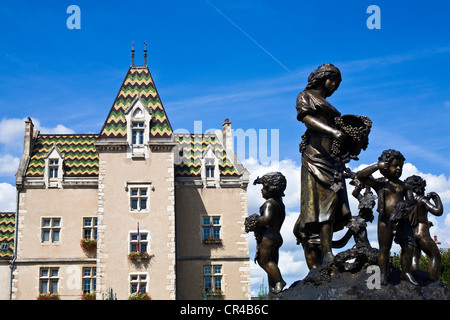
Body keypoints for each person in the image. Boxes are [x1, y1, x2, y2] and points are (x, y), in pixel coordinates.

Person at [293, 63, 352, 269]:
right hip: (315, 158)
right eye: (333, 80)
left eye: (338, 83)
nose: (335, 85)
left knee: (335, 203)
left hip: (332, 159)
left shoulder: (328, 104)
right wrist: (332, 132)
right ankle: (326, 253)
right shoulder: (305, 96)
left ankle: (328, 249)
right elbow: (307, 119)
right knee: (323, 205)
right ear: (322, 77)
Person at [355, 149, 418, 285]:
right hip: (385, 221)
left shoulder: (405, 186)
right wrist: (376, 166)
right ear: (386, 166)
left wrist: (406, 212)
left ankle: (406, 272)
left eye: (400, 166)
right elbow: (361, 176)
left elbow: (412, 203)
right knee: (384, 248)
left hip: (402, 221)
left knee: (408, 247)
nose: (398, 169)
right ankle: (383, 274)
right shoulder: (381, 184)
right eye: (395, 166)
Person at [245, 172, 287, 294]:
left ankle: (279, 281)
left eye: (263, 188)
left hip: (268, 237)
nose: (262, 191)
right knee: (272, 263)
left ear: (270, 190)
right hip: (277, 235)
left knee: (264, 262)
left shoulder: (269, 203)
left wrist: (256, 220)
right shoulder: (280, 203)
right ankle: (272, 290)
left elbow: (267, 219)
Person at [405, 175, 443, 280]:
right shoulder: (422, 199)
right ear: (420, 187)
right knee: (435, 255)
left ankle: (417, 279)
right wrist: (436, 198)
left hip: (412, 233)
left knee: (414, 257)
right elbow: (438, 211)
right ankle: (434, 282)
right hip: (422, 233)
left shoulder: (408, 202)